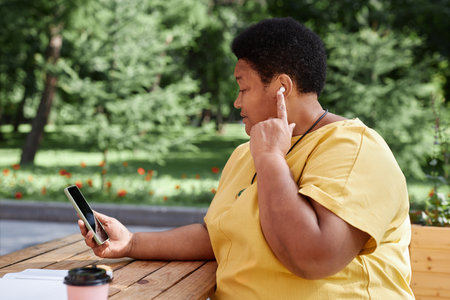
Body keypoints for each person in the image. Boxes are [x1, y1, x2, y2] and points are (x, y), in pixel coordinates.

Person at [79, 17, 414, 299]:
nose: (237, 103)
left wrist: (270, 158)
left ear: (282, 87)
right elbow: (218, 234)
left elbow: (314, 257)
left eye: (243, 87)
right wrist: (132, 242)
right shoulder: (246, 154)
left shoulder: (354, 148)